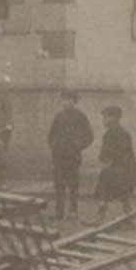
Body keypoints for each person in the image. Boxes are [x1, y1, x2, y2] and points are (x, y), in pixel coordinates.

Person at [47, 89, 94, 220]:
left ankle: (73, 211)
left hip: (73, 156)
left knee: (73, 184)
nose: (66, 102)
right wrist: (53, 145)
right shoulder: (59, 116)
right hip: (58, 156)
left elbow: (89, 136)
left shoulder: (80, 117)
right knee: (58, 185)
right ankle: (59, 211)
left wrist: (78, 146)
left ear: (75, 101)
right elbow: (51, 134)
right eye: (63, 99)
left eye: (69, 99)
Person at [94, 105, 136, 225]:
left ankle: (100, 219)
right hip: (125, 169)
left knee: (103, 192)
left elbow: (109, 154)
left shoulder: (111, 133)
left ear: (114, 118)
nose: (103, 120)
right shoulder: (123, 132)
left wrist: (105, 164)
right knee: (123, 195)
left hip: (116, 169)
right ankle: (128, 220)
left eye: (106, 117)